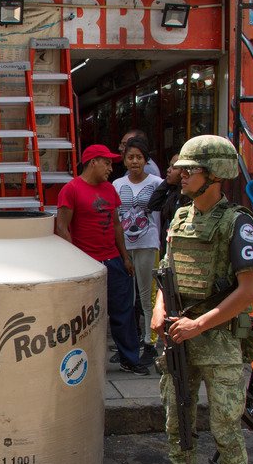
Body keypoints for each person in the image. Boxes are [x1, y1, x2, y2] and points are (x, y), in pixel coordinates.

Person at [135, 135, 253, 464]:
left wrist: (199, 324)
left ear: (215, 175)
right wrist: (158, 311)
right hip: (178, 340)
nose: (182, 174)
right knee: (177, 423)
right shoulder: (181, 217)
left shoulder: (236, 221)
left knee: (226, 428)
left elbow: (247, 292)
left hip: (220, 342)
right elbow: (166, 272)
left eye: (190, 170)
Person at [56, 144, 147, 375]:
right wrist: (73, 262)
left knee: (123, 311)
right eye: (106, 162)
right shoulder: (71, 189)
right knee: (83, 316)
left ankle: (130, 359)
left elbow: (117, 225)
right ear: (92, 162)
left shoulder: (109, 189)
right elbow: (62, 227)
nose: (110, 167)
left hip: (113, 260)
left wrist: (125, 257)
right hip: (87, 263)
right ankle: (81, 362)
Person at [113, 137, 163, 364]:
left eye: (139, 157)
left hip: (147, 244)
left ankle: (150, 343)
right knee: (126, 298)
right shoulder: (117, 185)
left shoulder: (157, 183)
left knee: (147, 295)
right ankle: (129, 344)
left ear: (146, 160)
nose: (134, 161)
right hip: (124, 246)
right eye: (130, 157)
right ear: (124, 160)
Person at [148, 152, 191, 256]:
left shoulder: (189, 194)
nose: (168, 170)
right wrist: (167, 182)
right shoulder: (172, 191)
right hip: (167, 246)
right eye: (169, 166)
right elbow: (153, 204)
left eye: (174, 167)